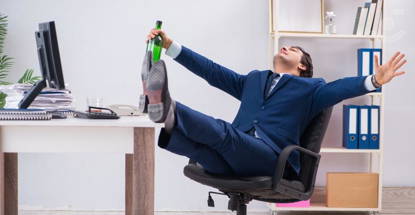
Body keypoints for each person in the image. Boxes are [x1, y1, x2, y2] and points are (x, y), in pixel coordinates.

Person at [141, 29, 406, 178]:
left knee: (224, 134)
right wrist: (170, 46)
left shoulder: (312, 89)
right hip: (232, 158)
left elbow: (340, 88)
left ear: (302, 66)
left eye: (294, 49)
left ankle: (168, 108)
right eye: (285, 46)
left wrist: (374, 80)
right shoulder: (254, 80)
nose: (286, 47)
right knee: (199, 150)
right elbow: (213, 72)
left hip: (271, 158)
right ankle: (164, 111)